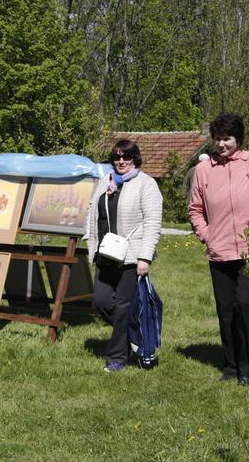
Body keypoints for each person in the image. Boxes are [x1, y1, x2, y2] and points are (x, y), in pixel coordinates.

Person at [189, 113, 249, 386]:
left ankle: (248, 368)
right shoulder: (203, 171)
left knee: (245, 303)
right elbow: (195, 210)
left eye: (227, 138)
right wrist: (207, 236)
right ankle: (230, 365)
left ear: (238, 139)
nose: (221, 144)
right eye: (218, 138)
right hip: (219, 252)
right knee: (225, 309)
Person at [86, 139, 162, 372]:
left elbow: (152, 222)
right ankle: (134, 335)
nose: (121, 161)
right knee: (101, 301)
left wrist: (145, 257)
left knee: (122, 306)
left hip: (131, 256)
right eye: (117, 157)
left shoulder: (146, 184)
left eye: (126, 157)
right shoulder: (104, 182)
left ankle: (117, 357)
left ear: (134, 158)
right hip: (106, 253)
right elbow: (92, 214)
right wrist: (92, 247)